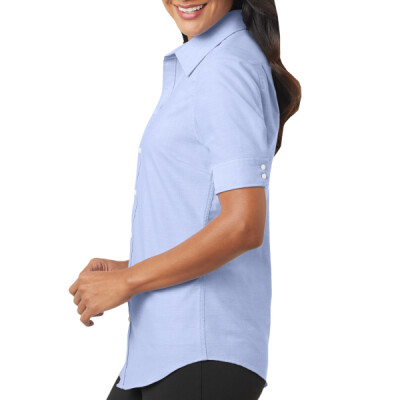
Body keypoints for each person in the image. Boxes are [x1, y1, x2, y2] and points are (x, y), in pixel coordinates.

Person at [68, 1, 301, 399]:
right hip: (165, 353)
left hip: (200, 352)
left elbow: (244, 224)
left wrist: (128, 281)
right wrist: (132, 265)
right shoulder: (212, 62)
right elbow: (204, 214)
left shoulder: (226, 67)